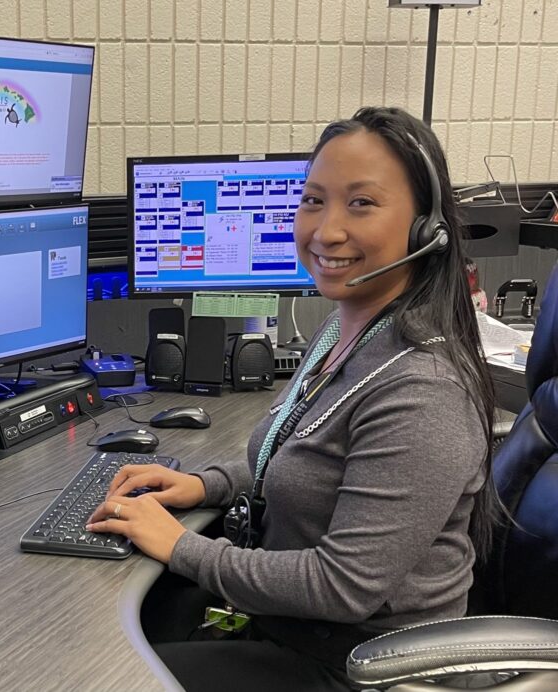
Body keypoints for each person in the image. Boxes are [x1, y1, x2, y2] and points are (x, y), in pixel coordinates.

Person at [87, 106, 499, 691]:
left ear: (424, 229)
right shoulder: (343, 333)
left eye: (361, 203)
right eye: (314, 200)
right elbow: (295, 456)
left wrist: (182, 547)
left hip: (353, 668)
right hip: (288, 630)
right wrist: (207, 484)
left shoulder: (424, 390)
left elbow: (343, 586)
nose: (326, 230)